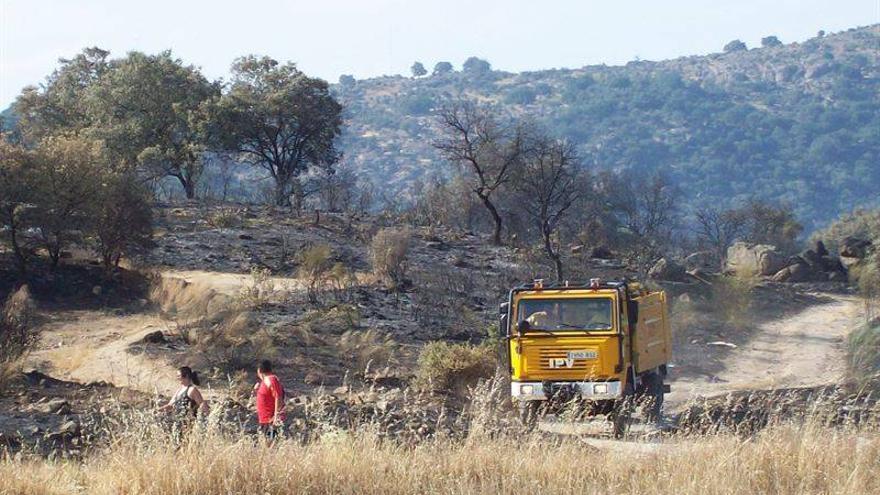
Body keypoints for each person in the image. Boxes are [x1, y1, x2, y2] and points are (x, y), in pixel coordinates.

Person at [253, 360, 285, 440]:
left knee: (271, 445)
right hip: (265, 420)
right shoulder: (265, 382)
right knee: (266, 445)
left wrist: (276, 417)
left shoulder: (271, 379)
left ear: (259, 370)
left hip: (271, 420)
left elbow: (278, 397)